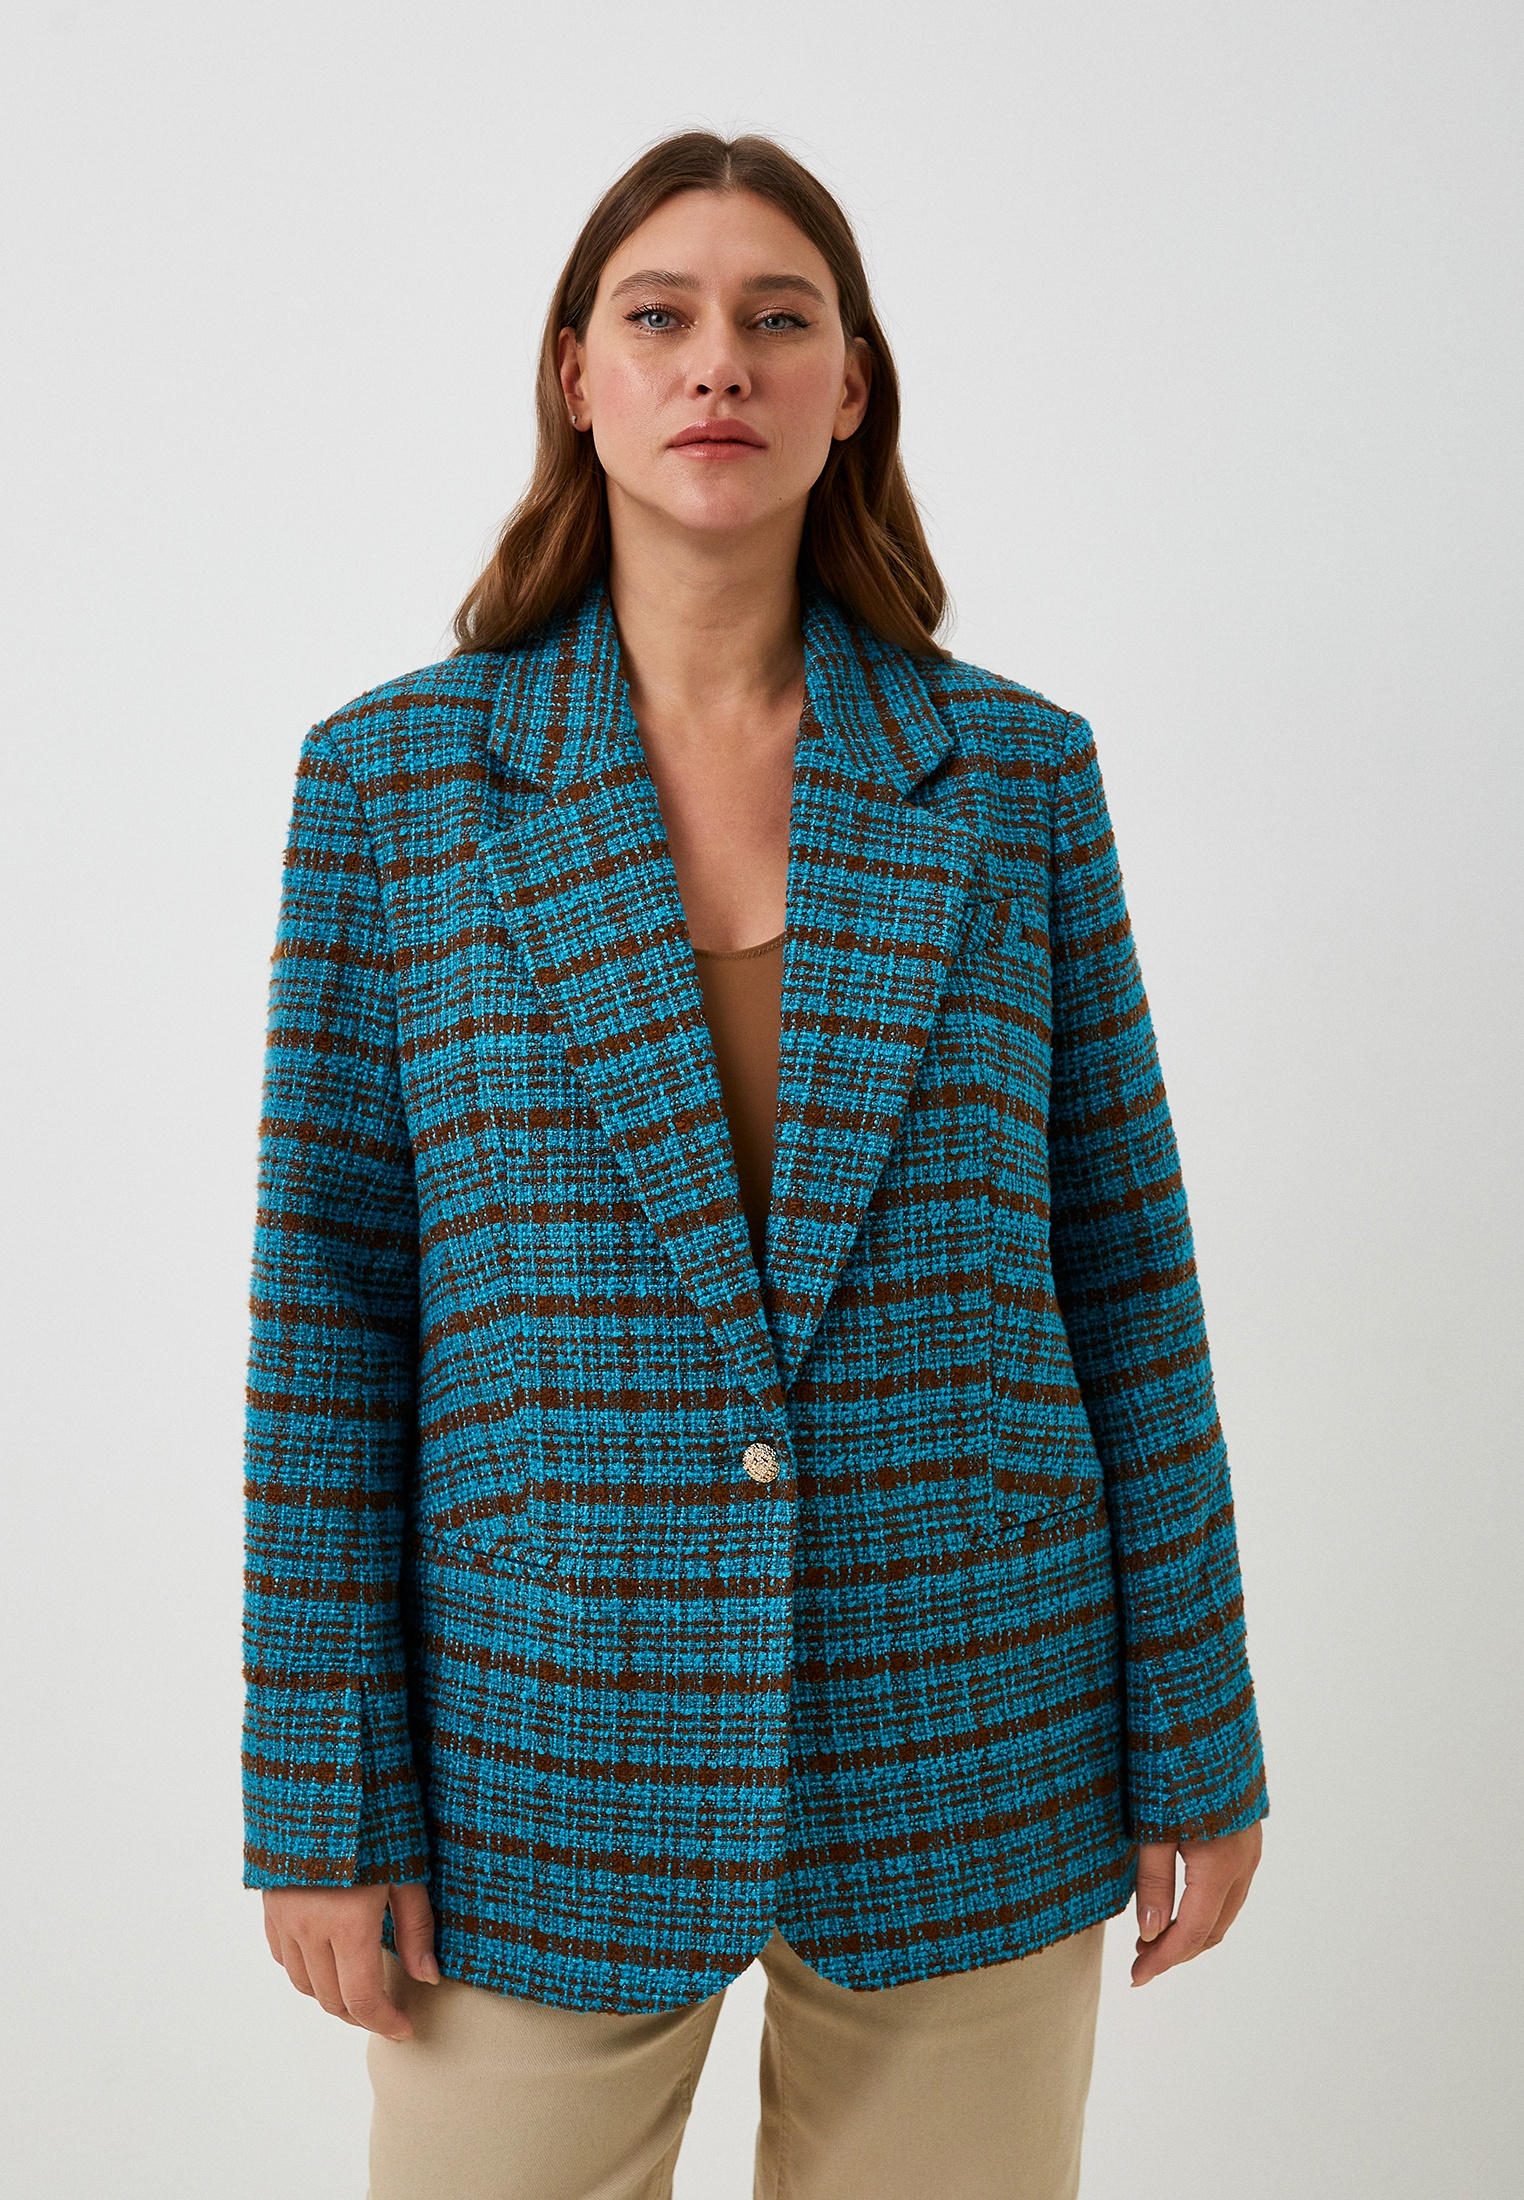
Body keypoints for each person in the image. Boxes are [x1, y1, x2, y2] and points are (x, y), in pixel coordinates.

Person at [242, 129, 1268, 2200]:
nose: (721, 359)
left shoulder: (1015, 780)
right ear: (578, 377)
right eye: (663, 315)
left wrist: (1200, 1733)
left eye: (778, 319)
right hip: (537, 1741)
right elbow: (330, 1308)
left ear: (850, 387)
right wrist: (322, 1794)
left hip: (971, 1718)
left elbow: (1125, 1265)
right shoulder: (395, 784)